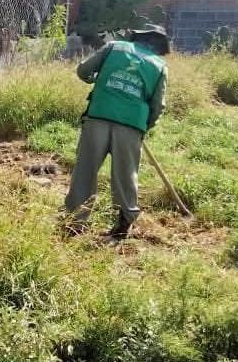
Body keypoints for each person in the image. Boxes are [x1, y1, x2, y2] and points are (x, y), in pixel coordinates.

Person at [64, 24, 170, 240]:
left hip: (99, 116)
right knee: (126, 175)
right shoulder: (159, 66)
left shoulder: (114, 47)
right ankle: (123, 225)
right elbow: (158, 106)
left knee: (85, 169)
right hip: (132, 125)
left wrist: (95, 80)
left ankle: (75, 222)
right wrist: (144, 126)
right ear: (159, 46)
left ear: (136, 37)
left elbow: (83, 70)